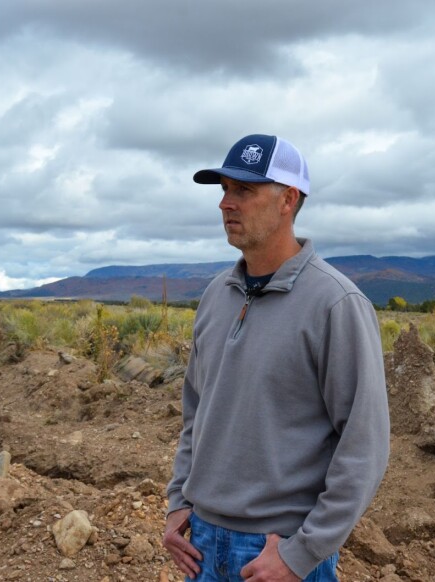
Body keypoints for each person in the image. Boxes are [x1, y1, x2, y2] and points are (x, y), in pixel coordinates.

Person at [162, 134, 390, 581]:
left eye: (244, 191)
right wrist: (179, 502)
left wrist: (301, 554)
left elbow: (364, 445)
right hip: (202, 545)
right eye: (224, 190)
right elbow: (196, 414)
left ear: (288, 199)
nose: (227, 203)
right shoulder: (215, 295)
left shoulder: (335, 303)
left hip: (277, 550)